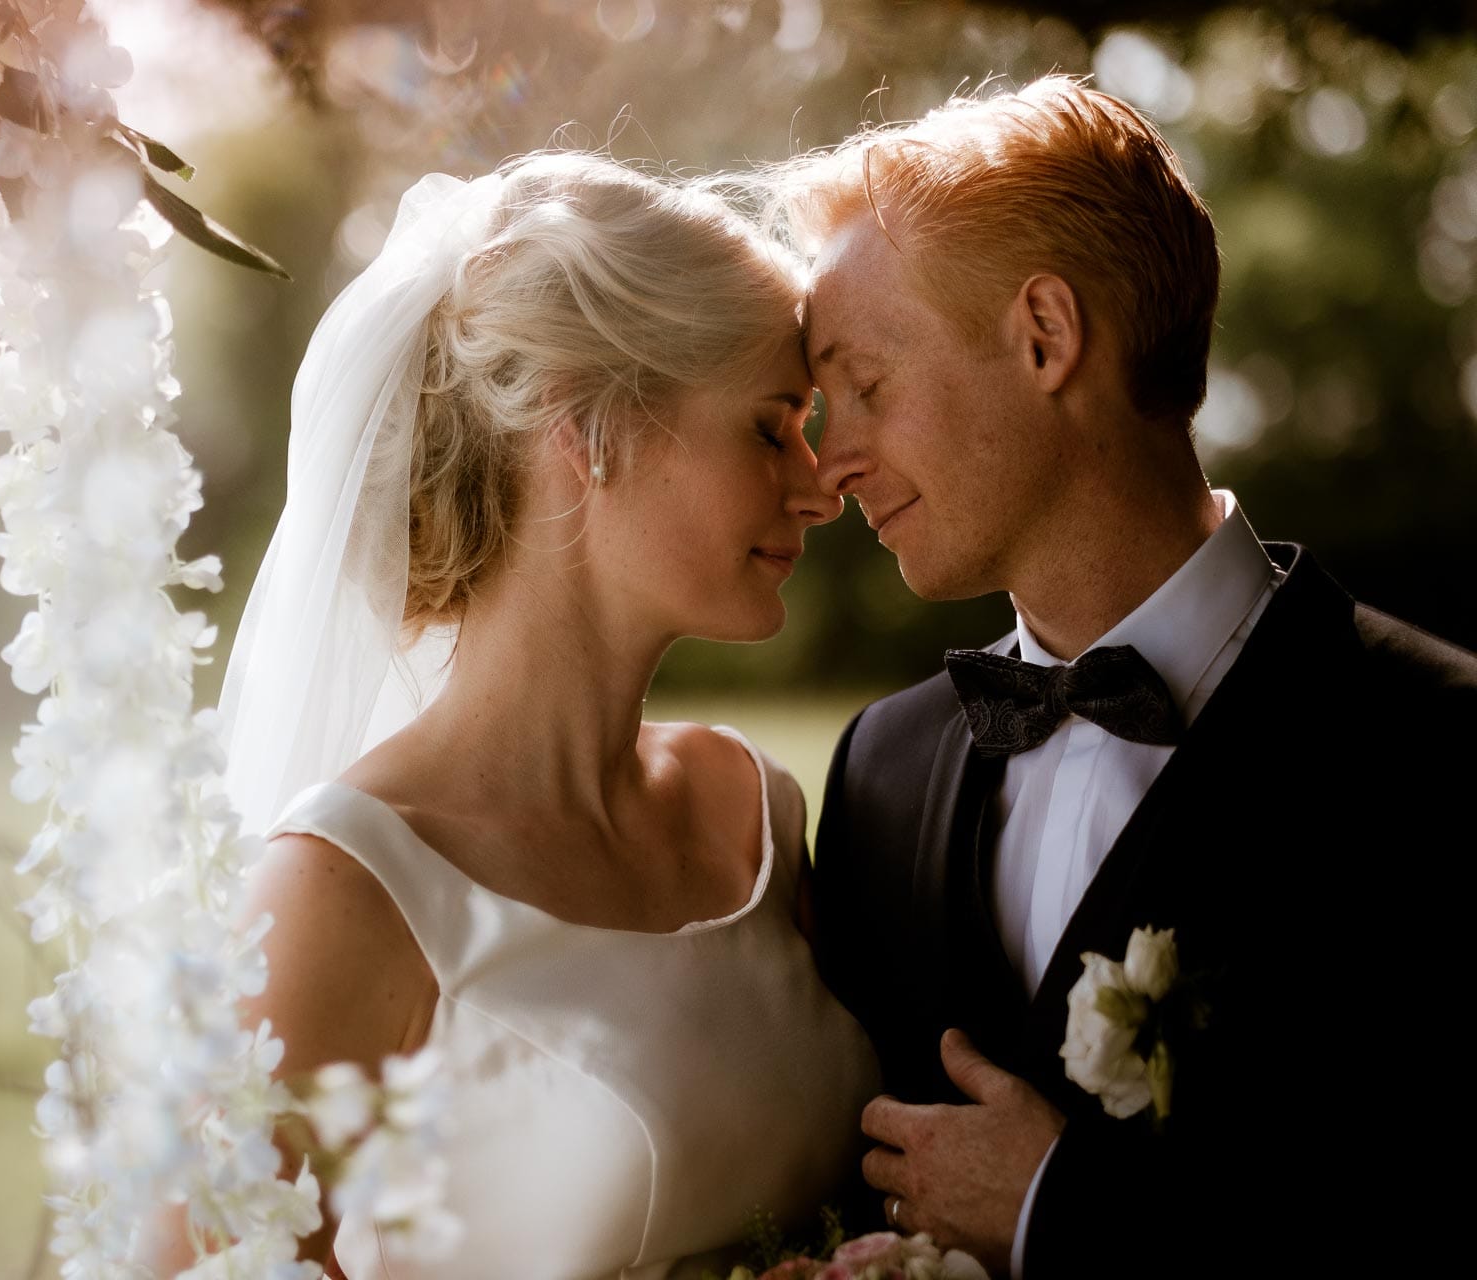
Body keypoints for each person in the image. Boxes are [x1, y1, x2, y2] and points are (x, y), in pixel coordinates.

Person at [785, 76, 1477, 1277]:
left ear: (1044, 336)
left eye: (866, 385)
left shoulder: (1440, 750)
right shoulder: (877, 774)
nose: (831, 460)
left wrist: (1069, 1207)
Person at [205, 152, 881, 1278]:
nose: (820, 484)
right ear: (589, 427)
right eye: (771, 427)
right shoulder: (341, 891)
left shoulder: (751, 812)